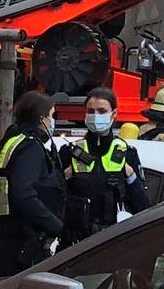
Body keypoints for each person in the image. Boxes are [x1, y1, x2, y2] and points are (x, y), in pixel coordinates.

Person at [0, 91, 66, 278]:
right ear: (41, 119)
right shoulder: (31, 147)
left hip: (5, 245)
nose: (53, 122)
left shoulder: (12, 143)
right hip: (24, 249)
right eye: (52, 116)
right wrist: (57, 227)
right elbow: (24, 194)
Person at [60, 90, 153, 246]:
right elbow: (52, 201)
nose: (95, 116)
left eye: (102, 111)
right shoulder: (69, 152)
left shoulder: (126, 153)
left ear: (114, 114)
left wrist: (130, 178)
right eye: (90, 111)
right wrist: (63, 179)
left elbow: (144, 206)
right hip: (74, 244)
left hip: (112, 243)